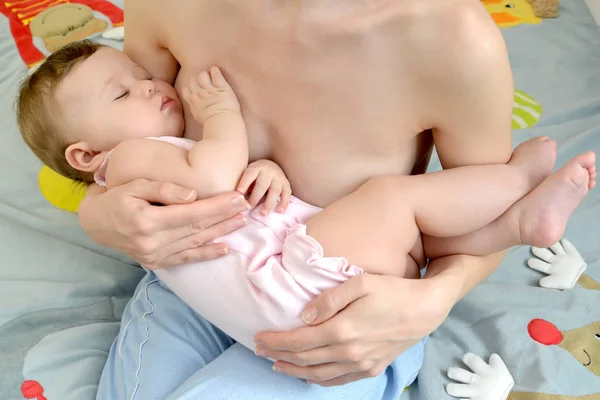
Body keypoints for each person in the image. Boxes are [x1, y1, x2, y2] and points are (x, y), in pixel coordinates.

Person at [17, 40, 596, 399]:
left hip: (298, 289)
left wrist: (258, 162)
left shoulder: (451, 42)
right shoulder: (133, 154)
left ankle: (517, 215)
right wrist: (220, 119)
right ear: (85, 156)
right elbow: (215, 176)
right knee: (400, 204)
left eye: (140, 77)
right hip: (284, 282)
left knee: (405, 211)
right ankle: (519, 192)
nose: (151, 83)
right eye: (124, 93)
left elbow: (217, 181)